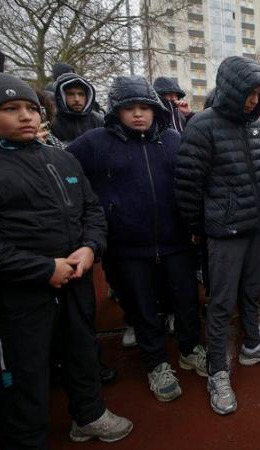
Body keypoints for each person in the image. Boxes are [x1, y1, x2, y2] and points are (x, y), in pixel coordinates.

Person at [0, 73, 132, 448]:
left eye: (32, 108)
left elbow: (91, 208)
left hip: (76, 280)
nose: (26, 116)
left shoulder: (61, 158)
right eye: (11, 109)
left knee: (82, 351)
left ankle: (88, 416)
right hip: (19, 296)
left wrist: (91, 247)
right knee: (26, 371)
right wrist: (43, 269)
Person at [68, 75, 206, 402]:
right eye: (130, 108)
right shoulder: (94, 142)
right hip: (126, 247)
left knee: (186, 301)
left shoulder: (174, 140)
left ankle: (190, 349)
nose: (139, 114)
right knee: (143, 309)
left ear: (156, 109)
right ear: (116, 111)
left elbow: (192, 182)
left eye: (145, 107)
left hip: (177, 242)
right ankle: (156, 363)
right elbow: (63, 171)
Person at [175, 56, 260, 415]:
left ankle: (253, 344)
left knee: (253, 292)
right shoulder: (203, 126)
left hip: (256, 228)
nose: (255, 101)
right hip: (224, 232)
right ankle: (217, 370)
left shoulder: (256, 128)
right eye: (250, 94)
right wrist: (198, 228)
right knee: (222, 303)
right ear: (230, 90)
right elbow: (188, 185)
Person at [51, 73, 104, 144]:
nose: (77, 99)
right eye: (71, 94)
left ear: (87, 96)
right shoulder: (52, 122)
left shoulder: (99, 121)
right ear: (62, 96)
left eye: (81, 94)